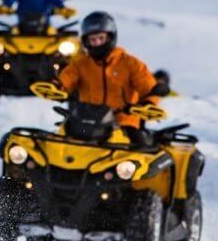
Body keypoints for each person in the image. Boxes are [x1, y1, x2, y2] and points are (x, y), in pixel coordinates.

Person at [56, 11, 166, 143]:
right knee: (62, 142)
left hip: (123, 123)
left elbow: (149, 88)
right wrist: (56, 86)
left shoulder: (130, 64)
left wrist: (148, 103)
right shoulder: (80, 64)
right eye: (92, 40)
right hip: (85, 123)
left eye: (101, 38)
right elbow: (66, 79)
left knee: (140, 148)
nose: (97, 43)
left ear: (110, 37)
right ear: (86, 41)